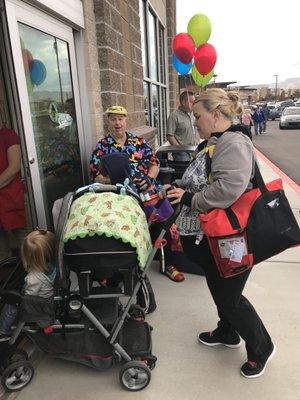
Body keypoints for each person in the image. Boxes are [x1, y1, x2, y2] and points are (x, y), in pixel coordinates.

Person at [164, 89, 275, 379]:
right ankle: (227, 332)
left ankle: (262, 347)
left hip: (232, 237)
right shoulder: (216, 141)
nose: (195, 121)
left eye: (198, 115)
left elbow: (227, 190)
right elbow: (204, 178)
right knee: (218, 285)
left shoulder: (234, 143)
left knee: (230, 297)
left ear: (215, 115)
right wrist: (179, 188)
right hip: (217, 238)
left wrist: (189, 199)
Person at [89, 105, 184, 282]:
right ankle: (125, 270)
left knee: (165, 224)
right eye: (113, 119)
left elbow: (154, 163)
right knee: (121, 231)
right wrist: (112, 181)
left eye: (120, 119)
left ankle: (168, 264)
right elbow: (96, 176)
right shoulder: (102, 146)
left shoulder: (139, 141)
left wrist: (148, 179)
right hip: (119, 196)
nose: (117, 123)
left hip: (146, 191)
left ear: (126, 121)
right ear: (108, 122)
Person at [0, 229, 57, 341]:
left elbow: (29, 297)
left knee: (10, 304)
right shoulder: (52, 266)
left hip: (38, 304)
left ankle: (3, 330)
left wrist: (18, 295)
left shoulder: (33, 278)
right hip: (47, 296)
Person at [0, 126, 26, 261]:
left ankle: (36, 276)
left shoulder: (8, 135)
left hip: (11, 196)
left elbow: (14, 166)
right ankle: (6, 278)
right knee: (1, 247)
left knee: (25, 242)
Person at [167, 91, 196, 161]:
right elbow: (170, 135)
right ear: (183, 102)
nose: (194, 104)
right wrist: (180, 150)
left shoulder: (192, 114)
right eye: (191, 102)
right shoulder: (174, 116)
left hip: (193, 150)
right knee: (183, 171)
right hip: (181, 154)